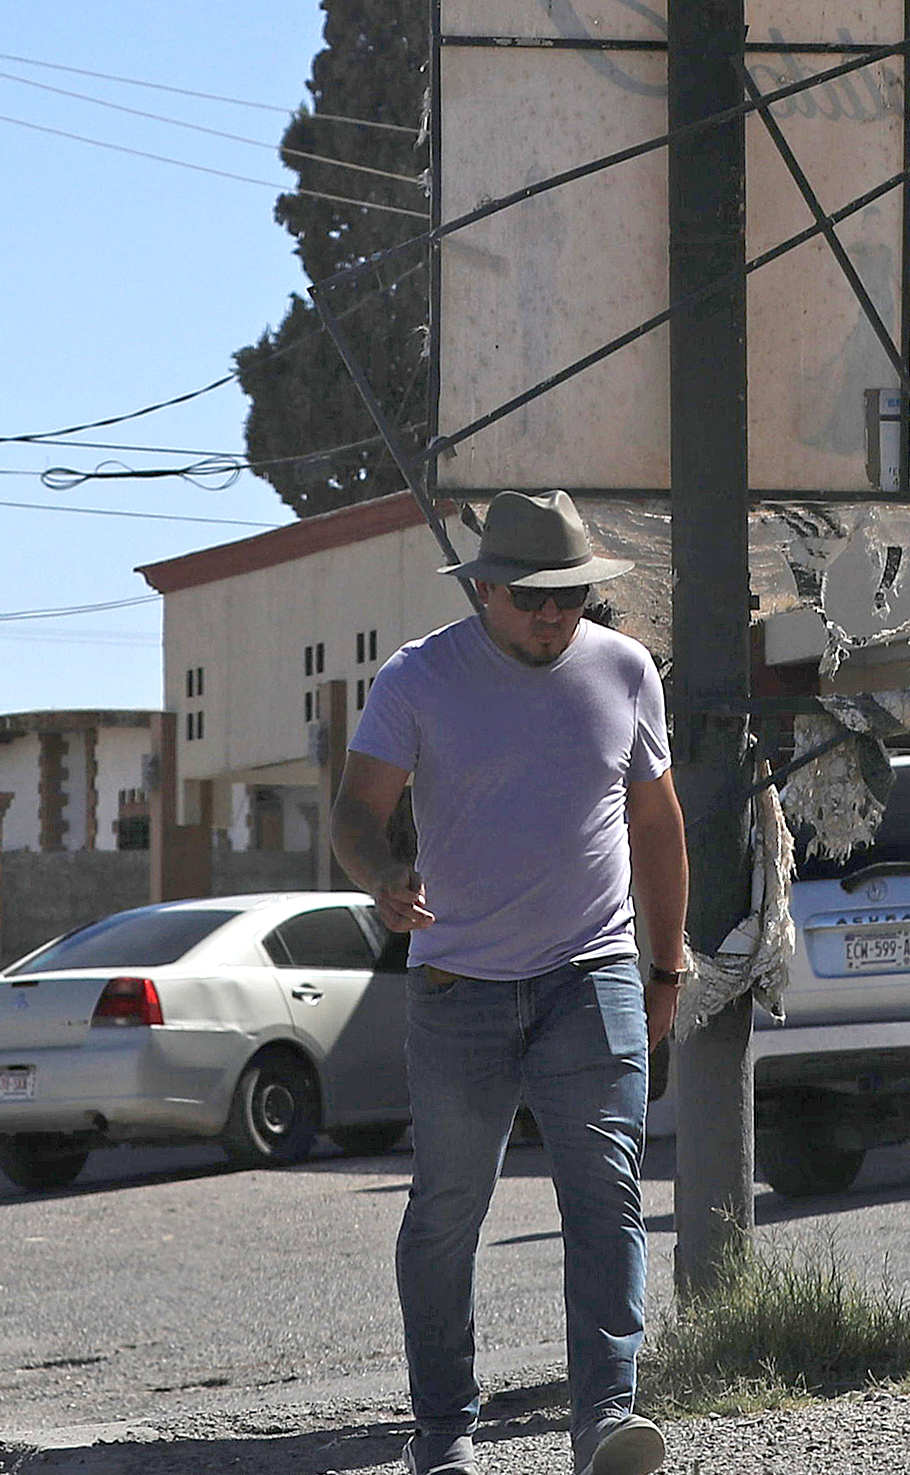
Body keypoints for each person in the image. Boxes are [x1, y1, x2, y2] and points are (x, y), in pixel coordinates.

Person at [336, 490, 689, 1475]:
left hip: (594, 972)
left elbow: (656, 825)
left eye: (570, 595)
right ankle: (444, 1434)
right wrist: (383, 880)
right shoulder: (419, 678)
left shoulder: (624, 673)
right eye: (532, 597)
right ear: (484, 588)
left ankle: (604, 1423)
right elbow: (355, 814)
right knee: (449, 1205)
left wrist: (667, 963)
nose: (552, 614)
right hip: (459, 986)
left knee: (607, 1193)